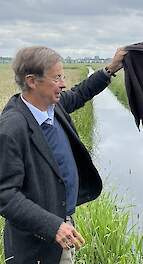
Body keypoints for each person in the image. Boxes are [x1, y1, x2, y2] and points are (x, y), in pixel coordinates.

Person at [0, 46, 127, 263]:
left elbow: (80, 93)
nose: (63, 83)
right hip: (36, 244)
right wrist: (53, 226)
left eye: (63, 76)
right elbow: (5, 195)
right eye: (57, 77)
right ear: (32, 81)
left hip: (63, 225)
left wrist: (111, 68)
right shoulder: (12, 128)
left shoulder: (53, 107)